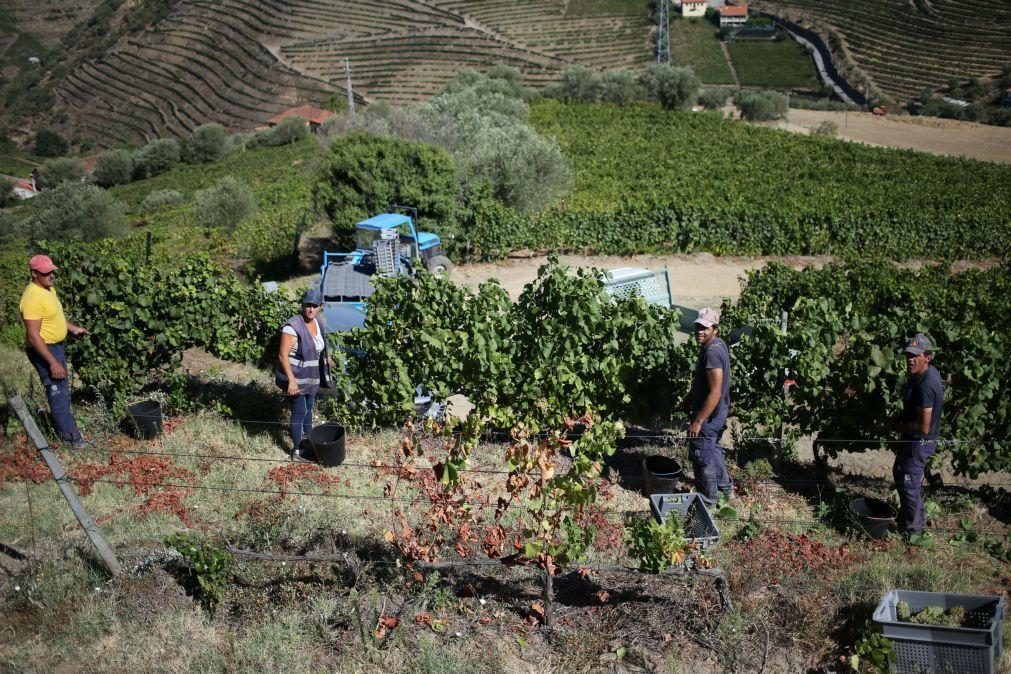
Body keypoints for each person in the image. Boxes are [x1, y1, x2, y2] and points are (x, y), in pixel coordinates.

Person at [19, 254, 91, 447]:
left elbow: (54, 316)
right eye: (46, 273)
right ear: (34, 274)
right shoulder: (32, 298)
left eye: (52, 271)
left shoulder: (48, 289)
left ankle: (72, 434)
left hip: (55, 348)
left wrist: (72, 328)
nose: (51, 275)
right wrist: (52, 362)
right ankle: (72, 442)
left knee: (63, 393)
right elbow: (34, 336)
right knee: (58, 393)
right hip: (45, 351)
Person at [892, 333, 943, 535]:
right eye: (908, 355)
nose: (910, 360)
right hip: (912, 440)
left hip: (919, 443)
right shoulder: (921, 375)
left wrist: (897, 427)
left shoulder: (927, 385)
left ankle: (914, 533)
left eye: (915, 356)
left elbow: (924, 428)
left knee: (909, 484)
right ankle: (911, 519)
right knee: (900, 474)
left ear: (927, 357)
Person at [685, 307, 733, 506]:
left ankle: (708, 501)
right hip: (718, 411)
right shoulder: (717, 345)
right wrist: (689, 399)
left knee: (702, 454)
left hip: (710, 414)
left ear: (715, 329)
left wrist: (698, 421)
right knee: (712, 449)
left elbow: (715, 391)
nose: (700, 331)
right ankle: (725, 489)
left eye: (705, 327)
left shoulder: (712, 353)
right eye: (698, 326)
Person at [276, 289, 329, 461]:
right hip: (295, 379)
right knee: (299, 411)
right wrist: (291, 382)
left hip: (311, 379)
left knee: (308, 410)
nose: (311, 309)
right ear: (302, 305)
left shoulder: (319, 323)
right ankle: (297, 452)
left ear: (320, 307)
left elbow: (319, 348)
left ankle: (309, 444)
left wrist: (329, 362)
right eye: (308, 305)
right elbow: (282, 355)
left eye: (315, 306)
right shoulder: (292, 327)